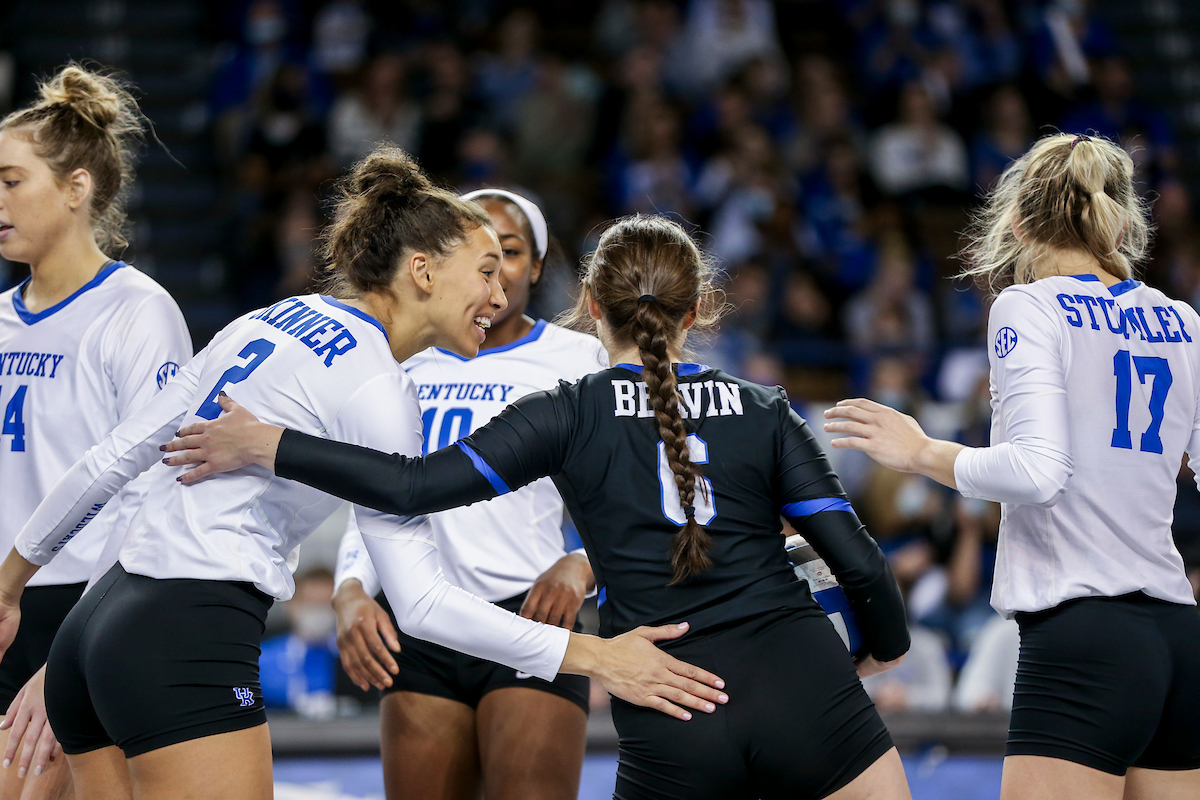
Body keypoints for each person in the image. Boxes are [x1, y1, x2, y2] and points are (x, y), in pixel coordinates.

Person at [0, 146, 726, 800]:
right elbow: (422, 606)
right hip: (185, 631)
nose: (497, 297)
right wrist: (594, 654)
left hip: (96, 627)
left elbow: (111, 460)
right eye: (482, 271)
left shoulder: (272, 317)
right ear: (422, 271)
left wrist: (9, 588)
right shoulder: (378, 385)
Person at [164, 214, 914, 800]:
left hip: (667, 700)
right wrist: (877, 650)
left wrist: (270, 443)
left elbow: (409, 487)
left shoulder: (567, 410)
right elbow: (860, 565)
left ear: (589, 307)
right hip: (806, 687)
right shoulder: (767, 409)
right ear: (699, 310)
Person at [824, 133, 1200, 800]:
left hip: (1084, 637)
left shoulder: (1029, 306)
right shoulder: (1180, 321)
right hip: (1177, 635)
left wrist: (920, 452)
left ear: (1020, 222)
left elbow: (1037, 471)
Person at [333, 187, 607, 800]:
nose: (496, 277)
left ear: (536, 266)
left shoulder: (577, 358)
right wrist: (351, 588)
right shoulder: (406, 357)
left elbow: (629, 496)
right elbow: (377, 491)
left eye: (508, 253)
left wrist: (582, 566)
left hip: (530, 613)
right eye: (480, 260)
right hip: (424, 623)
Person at [0, 64, 192, 799]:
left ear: (76, 188)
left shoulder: (136, 312)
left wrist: (75, 651)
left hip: (88, 603)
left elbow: (159, 490)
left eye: (13, 180)